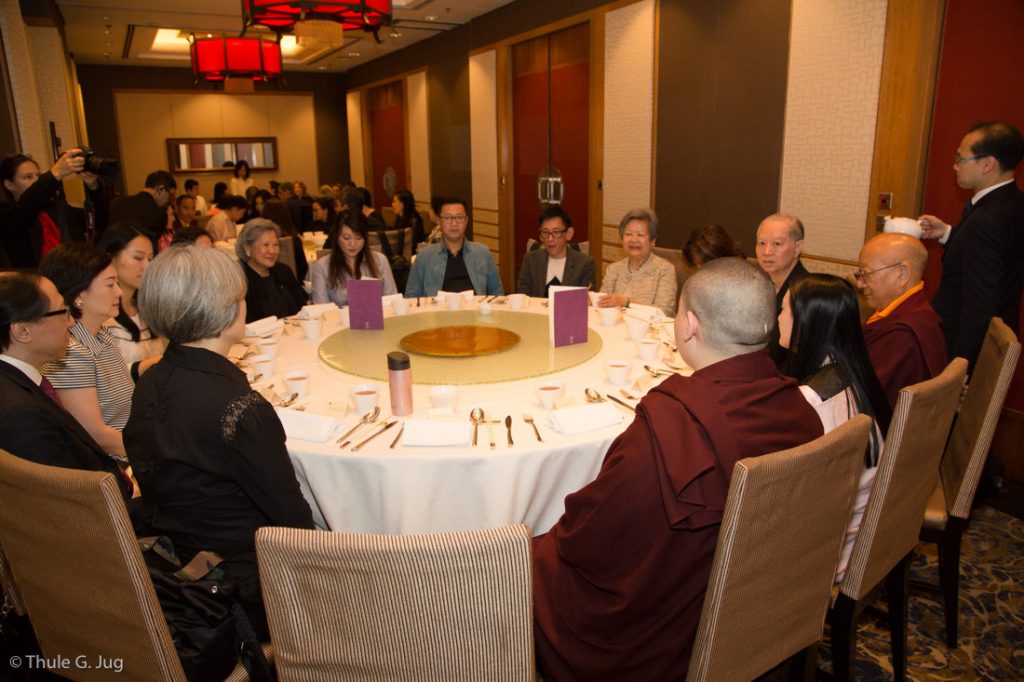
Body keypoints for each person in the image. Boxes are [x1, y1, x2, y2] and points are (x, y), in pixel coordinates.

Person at [533, 258, 824, 680]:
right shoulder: (801, 412)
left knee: (522, 560)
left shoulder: (665, 435)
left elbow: (587, 539)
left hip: (663, 634)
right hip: (755, 605)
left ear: (688, 325)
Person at [124, 245, 315, 639]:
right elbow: (295, 526)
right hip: (239, 593)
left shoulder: (151, 382)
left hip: (173, 564)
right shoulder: (240, 409)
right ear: (228, 310)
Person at [778, 274, 892, 581]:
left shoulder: (811, 403)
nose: (778, 315)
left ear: (807, 322)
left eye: (785, 309)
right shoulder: (848, 372)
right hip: (856, 526)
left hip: (829, 550)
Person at [0, 271, 132, 501]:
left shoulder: (20, 382)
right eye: (63, 312)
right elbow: (71, 506)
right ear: (22, 331)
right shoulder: (20, 413)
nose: (72, 322)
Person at [918, 120, 1024, 370]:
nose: (955, 166)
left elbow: (980, 305)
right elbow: (998, 255)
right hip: (996, 337)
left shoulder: (986, 220)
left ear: (987, 164)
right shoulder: (1013, 204)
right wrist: (948, 233)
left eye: (961, 159)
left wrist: (960, 366)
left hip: (963, 345)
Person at [39, 244, 134, 460]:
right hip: (115, 464)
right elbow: (95, 435)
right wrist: (158, 454)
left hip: (132, 447)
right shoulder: (71, 351)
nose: (119, 292)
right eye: (111, 284)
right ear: (79, 295)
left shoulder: (103, 335)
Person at [855, 233, 948, 407]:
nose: (860, 284)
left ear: (903, 274)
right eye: (859, 275)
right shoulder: (919, 314)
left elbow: (861, 397)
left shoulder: (902, 335)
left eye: (866, 274)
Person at [1, 149, 109, 268]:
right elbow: (26, 208)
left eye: (38, 176)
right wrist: (55, 174)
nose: (36, 181)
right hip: (34, 282)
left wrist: (93, 186)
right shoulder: (7, 215)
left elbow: (98, 222)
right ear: (9, 185)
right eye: (28, 177)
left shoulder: (55, 208)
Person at [97, 224, 166, 369]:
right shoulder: (101, 313)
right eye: (138, 257)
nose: (147, 266)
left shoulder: (148, 308)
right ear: (111, 258)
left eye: (150, 259)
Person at [404, 198, 503, 298]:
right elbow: (410, 297)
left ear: (467, 220)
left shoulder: (482, 253)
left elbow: (497, 294)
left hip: (474, 311)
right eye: (448, 218)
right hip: (437, 312)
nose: (454, 223)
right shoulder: (424, 256)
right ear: (439, 221)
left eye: (459, 217)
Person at [598, 208, 677, 317]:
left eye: (640, 235)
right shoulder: (613, 269)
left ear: (653, 240)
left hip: (649, 332)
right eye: (628, 234)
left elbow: (663, 312)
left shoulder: (664, 269)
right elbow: (601, 304)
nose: (634, 240)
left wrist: (627, 303)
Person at [756, 212, 809, 367]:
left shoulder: (804, 293)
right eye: (761, 243)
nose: (767, 252)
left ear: (797, 247)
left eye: (777, 244)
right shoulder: (758, 283)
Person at [311, 212, 397, 307]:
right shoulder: (322, 267)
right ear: (337, 238)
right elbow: (322, 310)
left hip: (376, 320)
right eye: (346, 238)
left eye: (358, 238)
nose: (353, 244)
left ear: (365, 238)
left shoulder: (380, 261)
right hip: (338, 320)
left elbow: (391, 301)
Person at [236, 218, 308, 322]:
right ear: (247, 248)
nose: (272, 251)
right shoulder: (239, 281)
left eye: (275, 244)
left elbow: (302, 309)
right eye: (265, 245)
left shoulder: (284, 271)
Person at [516, 205, 596, 297]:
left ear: (569, 234)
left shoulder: (585, 264)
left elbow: (585, 300)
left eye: (556, 232)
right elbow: (522, 296)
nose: (550, 239)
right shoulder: (531, 260)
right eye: (545, 232)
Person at [109, 170, 176, 251]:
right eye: (170, 196)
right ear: (161, 189)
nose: (169, 201)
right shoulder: (159, 213)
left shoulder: (117, 203)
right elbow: (153, 249)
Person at [262, 198, 309, 282]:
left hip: (268, 285)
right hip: (294, 286)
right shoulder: (294, 239)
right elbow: (303, 268)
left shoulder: (262, 242)